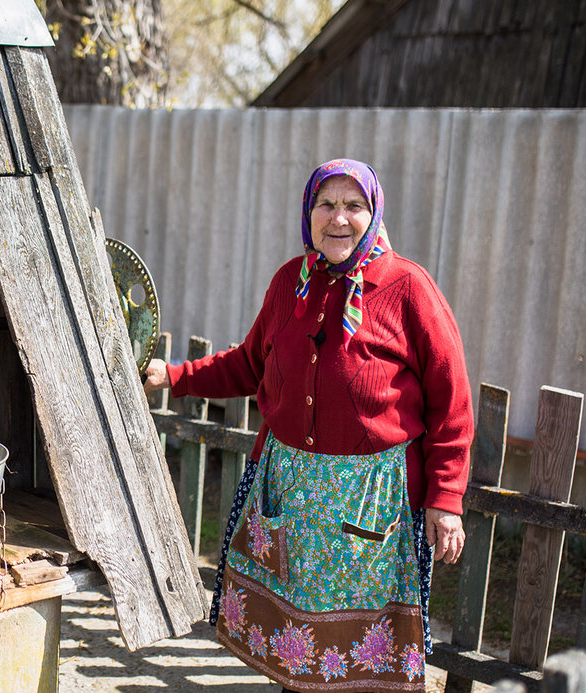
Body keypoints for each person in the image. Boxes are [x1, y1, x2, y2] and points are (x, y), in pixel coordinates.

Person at [144, 159, 472, 692]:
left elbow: (451, 402)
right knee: (297, 650)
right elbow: (249, 364)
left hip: (371, 502)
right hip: (292, 495)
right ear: (309, 213)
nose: (338, 218)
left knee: (361, 661)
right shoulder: (289, 285)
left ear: (374, 213)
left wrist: (446, 498)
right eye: (327, 205)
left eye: (353, 206)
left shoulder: (408, 288)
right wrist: (174, 375)